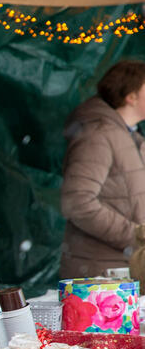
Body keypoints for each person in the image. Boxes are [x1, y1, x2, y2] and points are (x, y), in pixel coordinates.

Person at [60, 59, 145, 279]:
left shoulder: (130, 136)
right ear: (131, 96)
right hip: (100, 277)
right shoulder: (98, 135)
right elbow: (78, 203)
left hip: (124, 272)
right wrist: (135, 236)